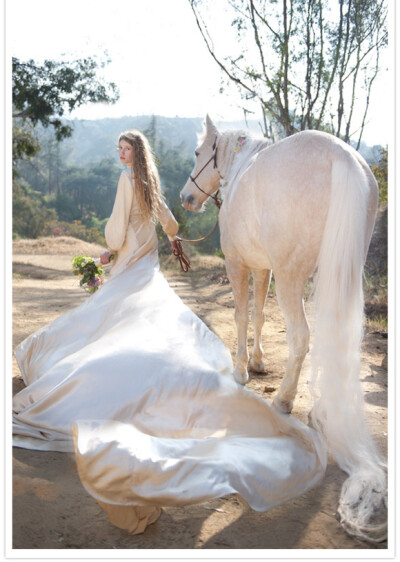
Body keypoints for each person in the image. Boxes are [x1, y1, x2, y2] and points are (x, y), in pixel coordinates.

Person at [13, 130, 327, 535]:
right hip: (148, 266)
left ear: (134, 154)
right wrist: (173, 238)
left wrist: (109, 251)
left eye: (124, 148)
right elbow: (171, 222)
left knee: (106, 323)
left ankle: (96, 380)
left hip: (129, 263)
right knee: (140, 325)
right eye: (118, 147)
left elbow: (114, 231)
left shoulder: (127, 181)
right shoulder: (150, 183)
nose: (119, 152)